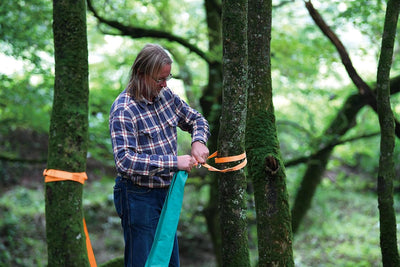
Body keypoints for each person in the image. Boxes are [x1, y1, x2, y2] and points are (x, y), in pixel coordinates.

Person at [109, 43, 210, 267]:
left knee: (168, 261)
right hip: (137, 196)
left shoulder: (167, 96)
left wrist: (198, 141)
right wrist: (174, 163)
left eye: (168, 78)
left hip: (165, 195)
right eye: (159, 79)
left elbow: (196, 120)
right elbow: (125, 161)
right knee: (144, 263)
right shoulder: (124, 109)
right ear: (141, 74)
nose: (164, 84)